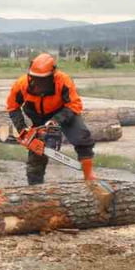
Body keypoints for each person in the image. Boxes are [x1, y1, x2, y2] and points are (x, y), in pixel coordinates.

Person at [6, 53, 96, 185]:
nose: (38, 83)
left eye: (42, 80)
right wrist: (23, 130)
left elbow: (74, 105)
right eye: (35, 79)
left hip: (64, 113)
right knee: (36, 148)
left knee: (82, 136)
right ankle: (35, 187)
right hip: (38, 116)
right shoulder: (21, 84)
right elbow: (12, 107)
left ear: (52, 75)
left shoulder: (63, 81)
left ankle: (89, 175)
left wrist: (56, 120)